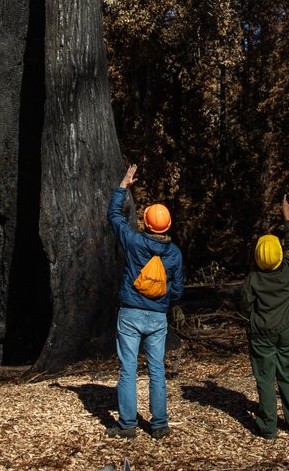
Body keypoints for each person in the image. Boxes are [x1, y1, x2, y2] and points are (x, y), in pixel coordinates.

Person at [107, 163, 184, 440]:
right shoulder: (174, 253)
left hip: (130, 313)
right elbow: (177, 289)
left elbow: (114, 216)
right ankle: (159, 424)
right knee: (156, 371)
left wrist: (124, 185)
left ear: (146, 223)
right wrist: (165, 303)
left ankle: (127, 425)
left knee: (127, 369)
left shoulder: (133, 241)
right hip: (157, 316)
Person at [241, 195, 289, 440]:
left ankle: (268, 428)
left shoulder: (253, 279)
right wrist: (286, 215)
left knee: (265, 379)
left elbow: (245, 304)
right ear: (281, 254)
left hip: (261, 333)